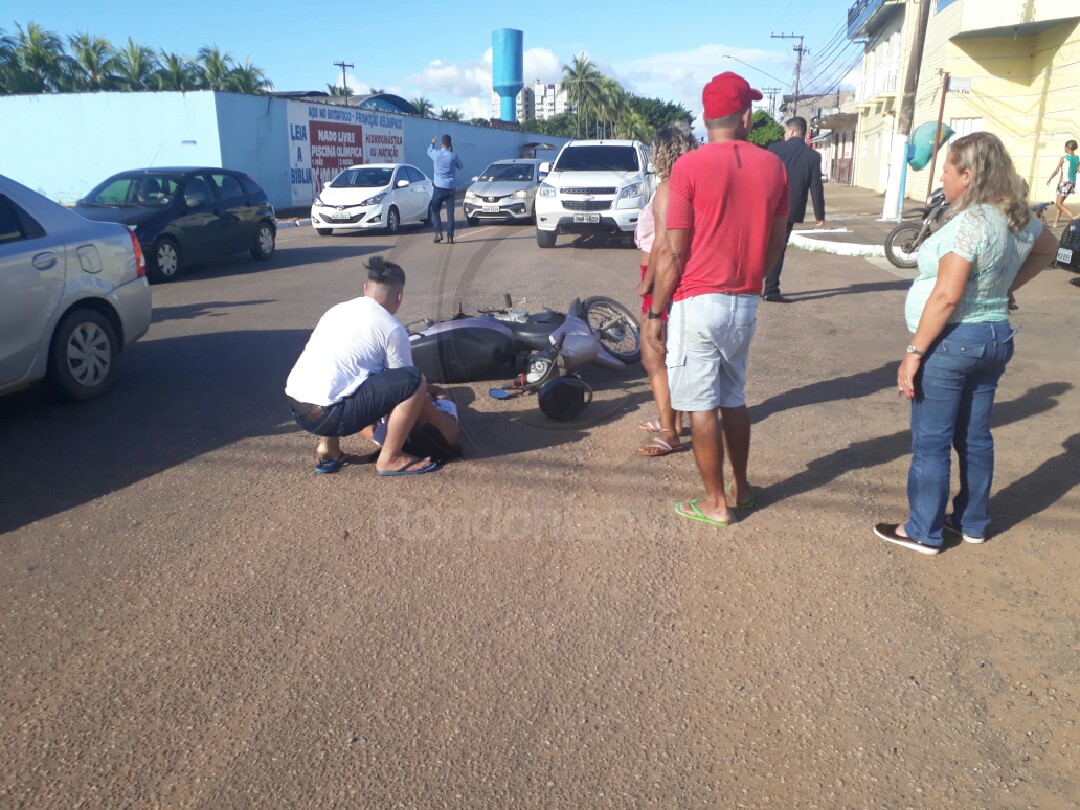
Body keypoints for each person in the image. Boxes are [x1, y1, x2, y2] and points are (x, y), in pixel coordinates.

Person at [874, 133, 1058, 555]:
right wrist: (1006, 287)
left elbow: (947, 296)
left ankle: (923, 530)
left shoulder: (973, 222)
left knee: (931, 442)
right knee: (974, 437)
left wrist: (913, 353)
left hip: (953, 340)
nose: (942, 176)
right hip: (994, 336)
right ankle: (972, 521)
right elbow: (1047, 250)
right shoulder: (1019, 217)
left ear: (968, 174)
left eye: (946, 169)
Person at [645, 72, 790, 527]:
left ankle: (713, 502)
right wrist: (753, 278)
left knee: (702, 405)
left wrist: (655, 311)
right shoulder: (774, 166)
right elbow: (778, 239)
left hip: (696, 301)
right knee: (734, 397)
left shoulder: (688, 168)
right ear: (745, 115)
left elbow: (672, 249)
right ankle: (741, 489)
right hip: (743, 301)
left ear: (707, 118)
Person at [285, 256, 460, 476]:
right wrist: (444, 423)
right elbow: (409, 385)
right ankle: (390, 459)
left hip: (298, 407)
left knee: (341, 373)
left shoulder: (338, 310)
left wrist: (431, 389)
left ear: (366, 288)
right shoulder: (391, 328)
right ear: (399, 297)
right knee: (415, 379)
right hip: (330, 416)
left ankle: (329, 448)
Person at [634, 125, 697, 457]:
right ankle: (672, 420)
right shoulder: (692, 185)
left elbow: (663, 244)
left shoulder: (668, 189)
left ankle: (669, 430)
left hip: (659, 275)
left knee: (652, 354)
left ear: (661, 152)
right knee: (670, 353)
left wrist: (647, 284)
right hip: (676, 274)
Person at [762, 116, 826, 302]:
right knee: (778, 248)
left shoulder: (774, 148)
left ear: (790, 131)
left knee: (760, 245)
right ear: (804, 133)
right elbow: (816, 186)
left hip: (768, 205)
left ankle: (748, 287)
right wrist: (819, 214)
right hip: (791, 208)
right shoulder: (813, 156)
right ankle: (771, 290)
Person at [427, 134, 464, 244]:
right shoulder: (453, 156)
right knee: (450, 214)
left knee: (434, 210)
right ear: (450, 144)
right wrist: (452, 152)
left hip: (438, 188)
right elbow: (461, 166)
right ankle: (450, 237)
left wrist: (432, 143)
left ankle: (438, 233)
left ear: (442, 143)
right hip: (451, 188)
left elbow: (429, 151)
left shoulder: (436, 154)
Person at [1046, 139, 1078, 228]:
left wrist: (1050, 178)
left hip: (1064, 183)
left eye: (1065, 146)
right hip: (1071, 183)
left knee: (1058, 204)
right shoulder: (1077, 158)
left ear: (1067, 147)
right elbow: (1077, 171)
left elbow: (1056, 170)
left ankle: (1074, 217)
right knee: (1060, 203)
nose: (1064, 148)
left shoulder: (1063, 158)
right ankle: (1055, 223)